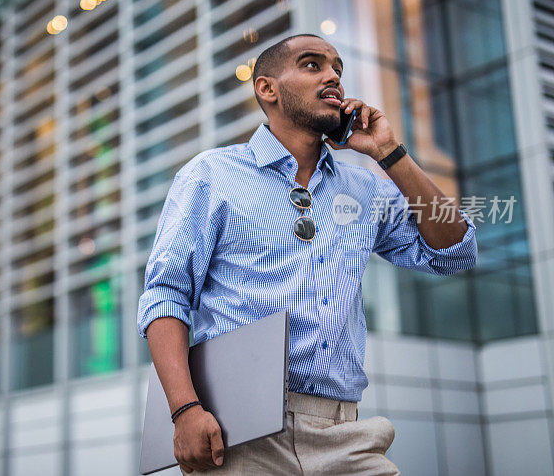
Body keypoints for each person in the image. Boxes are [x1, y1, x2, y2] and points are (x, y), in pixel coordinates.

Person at [136, 34, 477, 475]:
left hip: (344, 432)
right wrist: (184, 410)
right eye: (312, 65)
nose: (333, 76)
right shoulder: (211, 176)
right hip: (238, 433)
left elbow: (454, 252)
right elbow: (166, 296)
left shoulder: (365, 188)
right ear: (267, 88)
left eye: (337, 67)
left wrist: (389, 153)